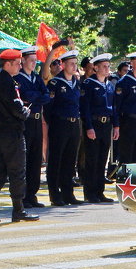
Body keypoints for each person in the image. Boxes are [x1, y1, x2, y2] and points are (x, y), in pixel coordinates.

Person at [0, 48, 39, 223]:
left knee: (0, 173)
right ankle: (18, 209)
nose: (19, 66)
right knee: (17, 172)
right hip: (12, 133)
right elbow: (17, 109)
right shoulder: (7, 83)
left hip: (0, 134)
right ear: (8, 64)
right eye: (17, 63)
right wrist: (25, 111)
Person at [15, 45, 54, 208]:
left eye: (35, 60)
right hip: (26, 120)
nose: (34, 63)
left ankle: (32, 194)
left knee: (35, 159)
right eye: (31, 60)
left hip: (38, 120)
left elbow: (47, 95)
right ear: (23, 60)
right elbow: (25, 96)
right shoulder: (18, 78)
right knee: (24, 159)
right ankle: (23, 195)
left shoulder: (36, 78)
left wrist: (36, 96)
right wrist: (38, 96)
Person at [45, 50, 83, 206]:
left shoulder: (76, 82)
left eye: (75, 63)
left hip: (74, 124)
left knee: (69, 160)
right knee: (56, 160)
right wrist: (54, 124)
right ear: (63, 65)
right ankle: (55, 194)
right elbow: (48, 108)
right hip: (59, 124)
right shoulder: (55, 83)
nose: (74, 66)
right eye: (71, 63)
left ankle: (68, 194)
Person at [79, 52, 116, 204]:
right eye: (104, 67)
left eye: (108, 66)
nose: (107, 69)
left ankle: (100, 191)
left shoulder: (109, 85)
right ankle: (90, 192)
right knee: (92, 159)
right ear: (96, 68)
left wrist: (116, 125)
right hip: (94, 124)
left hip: (106, 124)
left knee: (102, 159)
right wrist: (88, 127)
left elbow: (113, 107)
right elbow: (85, 108)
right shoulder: (89, 84)